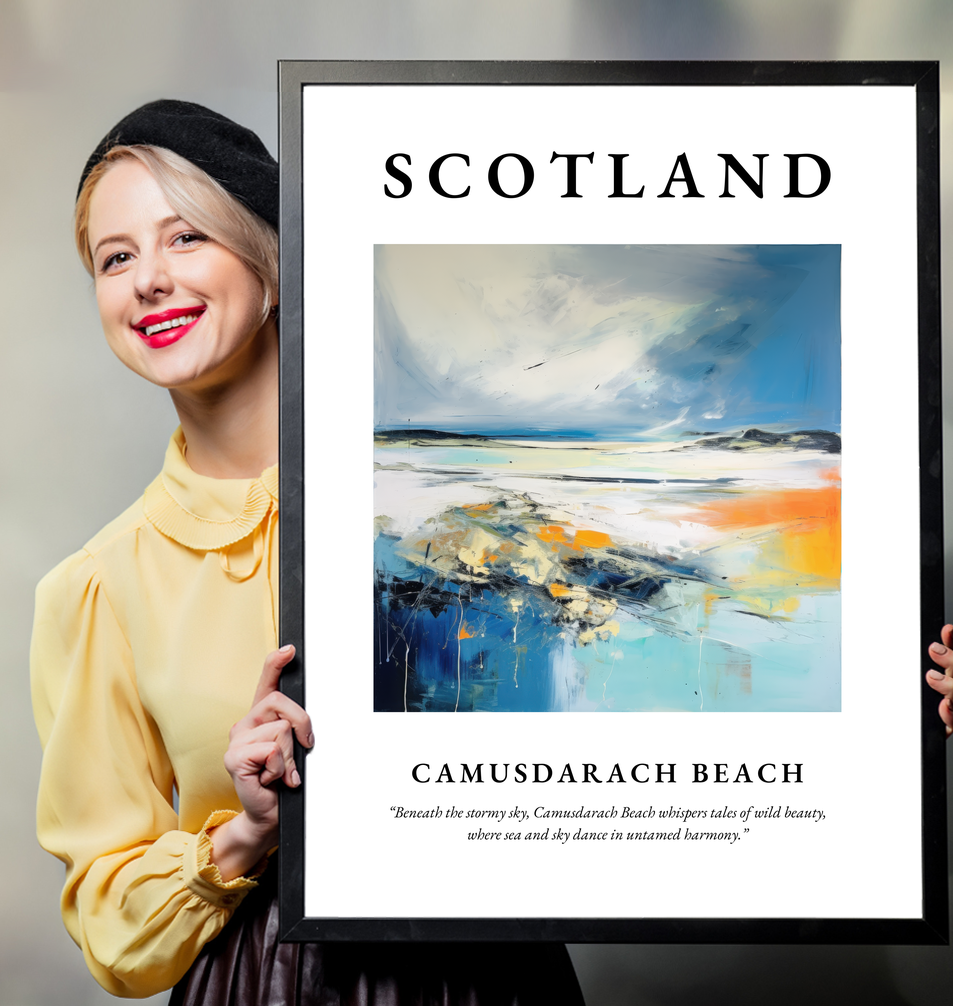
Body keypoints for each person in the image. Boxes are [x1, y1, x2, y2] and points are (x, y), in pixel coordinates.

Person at [30, 100, 586, 1004]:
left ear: (273, 264)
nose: (148, 281)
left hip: (491, 972)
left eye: (185, 239)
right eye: (116, 257)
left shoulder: (445, 503)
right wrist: (245, 832)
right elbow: (110, 923)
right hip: (262, 982)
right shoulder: (97, 587)